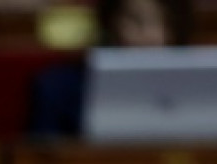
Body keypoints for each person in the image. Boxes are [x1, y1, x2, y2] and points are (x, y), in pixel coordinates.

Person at [26, 0, 193, 139]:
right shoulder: (58, 88)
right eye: (136, 20)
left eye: (164, 23)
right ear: (109, 23)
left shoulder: (197, 88)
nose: (150, 35)